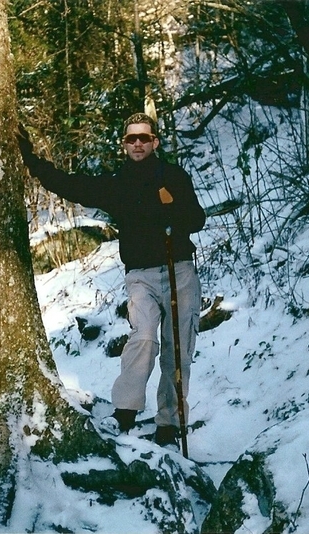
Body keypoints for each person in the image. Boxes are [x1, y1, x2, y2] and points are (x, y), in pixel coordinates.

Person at [17, 113, 205, 448]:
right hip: (140, 275)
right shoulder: (117, 184)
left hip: (179, 271)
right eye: (131, 138)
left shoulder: (173, 176)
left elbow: (197, 219)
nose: (137, 144)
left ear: (154, 142)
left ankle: (170, 423)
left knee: (178, 350)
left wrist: (171, 210)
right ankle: (126, 411)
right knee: (144, 337)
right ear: (124, 144)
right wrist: (32, 161)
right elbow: (71, 185)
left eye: (144, 138)